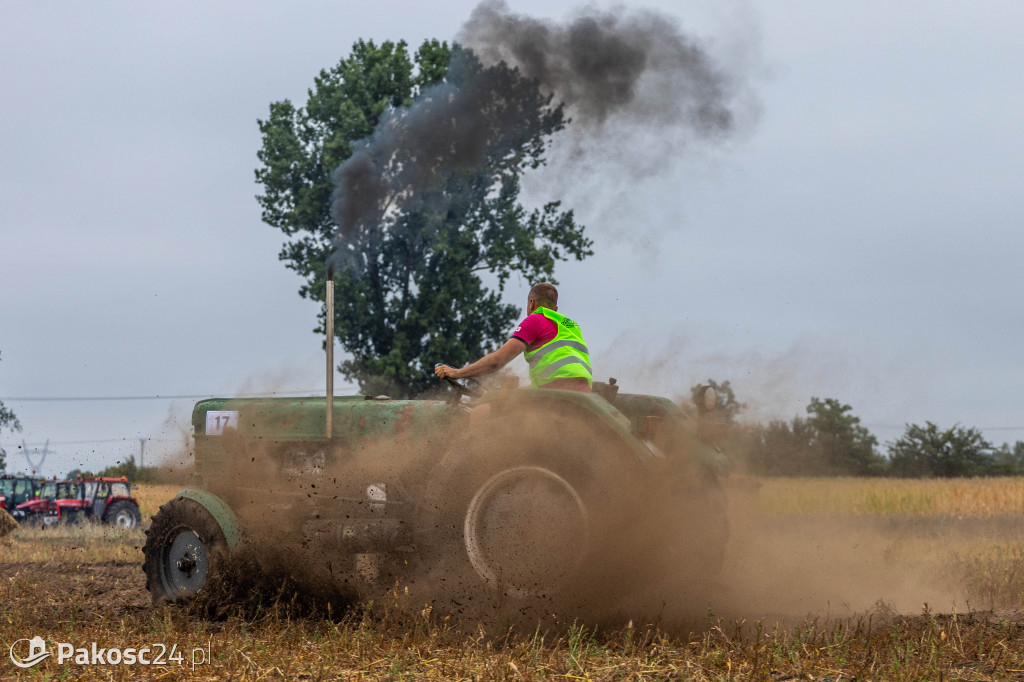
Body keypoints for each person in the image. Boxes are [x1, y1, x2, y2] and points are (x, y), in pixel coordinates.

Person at [434, 282, 593, 392]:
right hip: (582, 395)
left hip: (555, 392)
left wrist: (457, 373)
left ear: (531, 303)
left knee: (481, 413)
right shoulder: (571, 326)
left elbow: (496, 362)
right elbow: (563, 374)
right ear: (555, 309)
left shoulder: (536, 319)